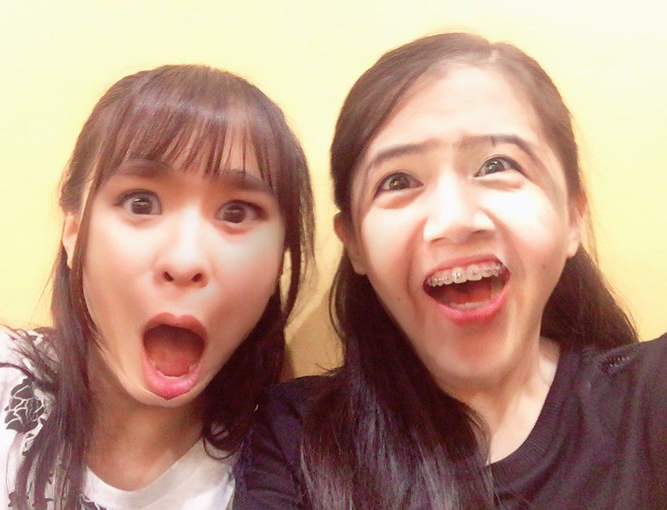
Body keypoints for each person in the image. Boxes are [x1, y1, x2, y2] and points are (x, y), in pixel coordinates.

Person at [234, 33, 667, 509]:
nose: (454, 221)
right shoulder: (297, 438)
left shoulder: (651, 397)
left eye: (497, 165)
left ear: (571, 217)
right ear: (354, 243)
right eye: (398, 180)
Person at [0, 64, 314, 509]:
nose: (185, 260)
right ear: (73, 231)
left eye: (236, 213)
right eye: (140, 203)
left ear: (280, 259)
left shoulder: (285, 472)